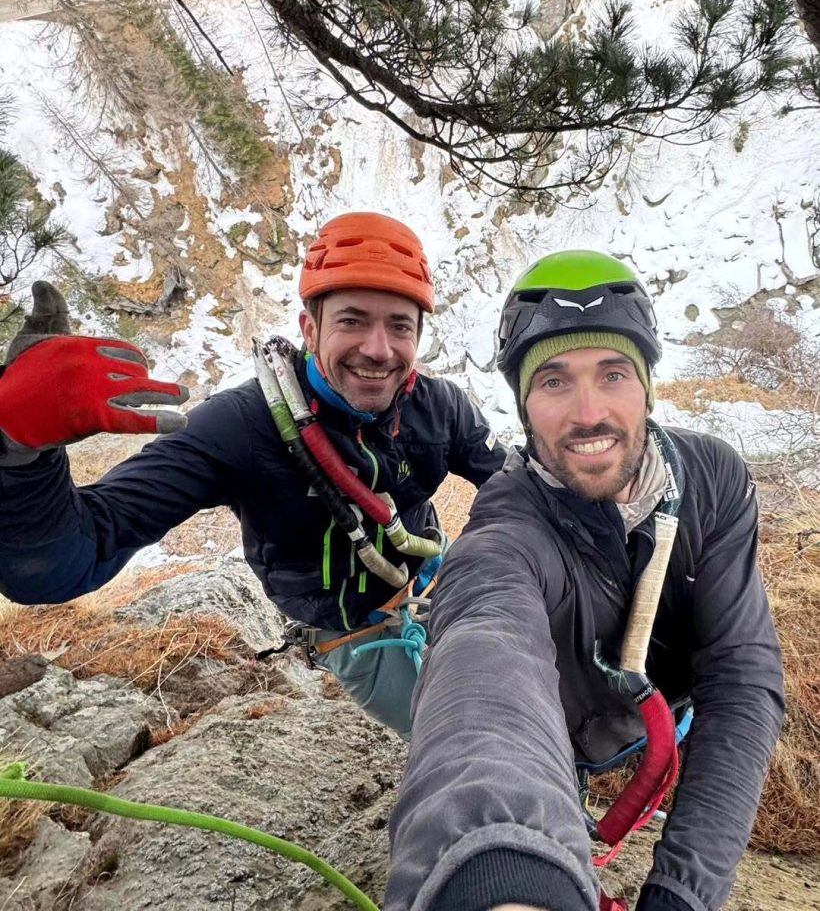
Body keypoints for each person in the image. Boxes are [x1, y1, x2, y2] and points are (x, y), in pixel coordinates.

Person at [0, 211, 506, 740]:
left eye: (399, 325)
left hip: (438, 591)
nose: (378, 349)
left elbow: (518, 487)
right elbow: (66, 562)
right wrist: (20, 452)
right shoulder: (242, 427)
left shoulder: (440, 406)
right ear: (310, 328)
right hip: (358, 635)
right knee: (463, 739)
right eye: (352, 320)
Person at [386, 250, 784, 911]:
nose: (588, 412)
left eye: (613, 374)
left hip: (654, 717)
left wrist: (681, 895)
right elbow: (487, 647)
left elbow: (741, 675)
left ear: (647, 388)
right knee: (550, 801)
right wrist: (499, 868)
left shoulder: (711, 478)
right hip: (555, 734)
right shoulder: (509, 526)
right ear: (523, 405)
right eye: (554, 382)